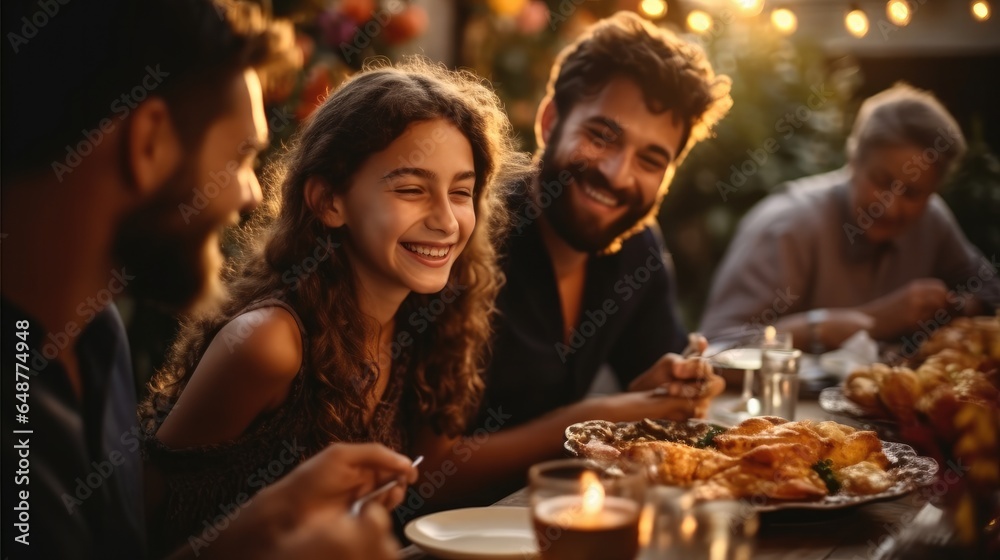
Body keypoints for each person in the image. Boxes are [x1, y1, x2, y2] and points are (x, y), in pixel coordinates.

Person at [1, 1, 416, 559]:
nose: (251, 194)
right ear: (150, 142)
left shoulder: (96, 334)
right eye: (243, 156)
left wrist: (260, 529)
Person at [137, 58, 530, 552]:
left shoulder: (428, 317)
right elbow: (132, 524)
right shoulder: (269, 343)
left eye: (461, 192)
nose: (447, 221)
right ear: (329, 201)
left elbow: (437, 470)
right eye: (411, 189)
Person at [404, 12, 732, 511]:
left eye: (650, 160)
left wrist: (671, 392)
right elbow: (426, 474)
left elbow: (657, 403)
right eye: (601, 136)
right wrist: (598, 416)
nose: (619, 175)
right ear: (550, 121)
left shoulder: (637, 248)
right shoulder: (460, 237)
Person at [700, 83, 1000, 354]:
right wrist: (854, 324)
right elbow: (716, 349)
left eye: (911, 194)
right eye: (881, 181)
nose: (890, 207)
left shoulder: (933, 221)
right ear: (854, 159)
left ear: (933, 192)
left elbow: (990, 290)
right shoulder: (787, 225)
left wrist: (956, 308)